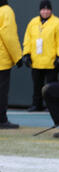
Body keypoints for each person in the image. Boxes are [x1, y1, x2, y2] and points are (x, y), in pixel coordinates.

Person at [22, 0, 59, 112]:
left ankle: (52, 106)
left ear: (51, 10)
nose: (45, 11)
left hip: (51, 61)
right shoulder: (33, 22)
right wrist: (26, 54)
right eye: (43, 9)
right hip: (36, 61)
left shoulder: (57, 23)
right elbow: (27, 39)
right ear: (40, 10)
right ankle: (36, 104)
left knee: (51, 86)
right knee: (37, 85)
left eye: (48, 9)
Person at [0, 0, 22, 129]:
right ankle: (2, 120)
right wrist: (17, 57)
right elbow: (9, 36)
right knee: (1, 91)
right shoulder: (6, 11)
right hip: (1, 60)